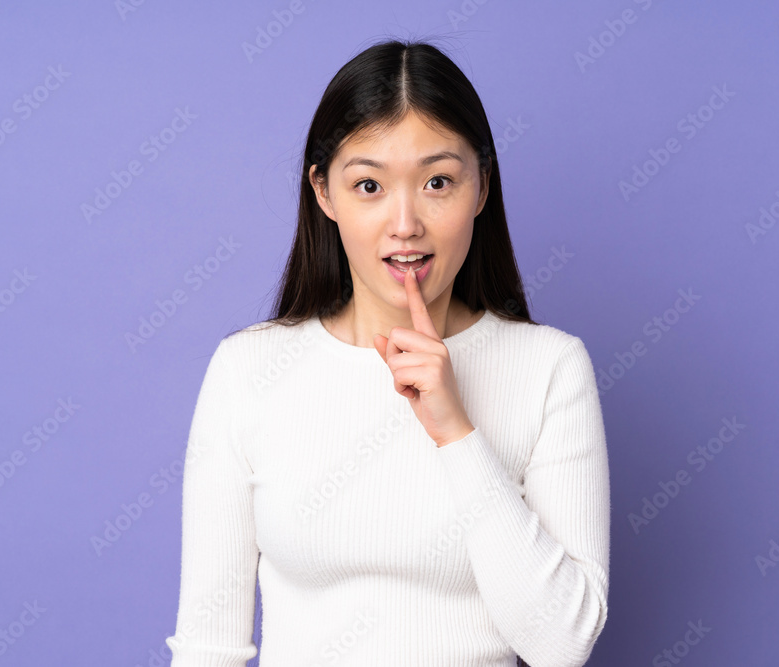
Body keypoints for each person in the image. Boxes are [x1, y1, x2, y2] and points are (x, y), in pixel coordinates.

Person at [164, 38, 610, 667]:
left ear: (482, 187)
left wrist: (455, 432)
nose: (405, 224)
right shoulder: (248, 371)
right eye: (369, 185)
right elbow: (208, 648)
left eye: (438, 182)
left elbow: (562, 644)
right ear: (324, 192)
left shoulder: (550, 369)